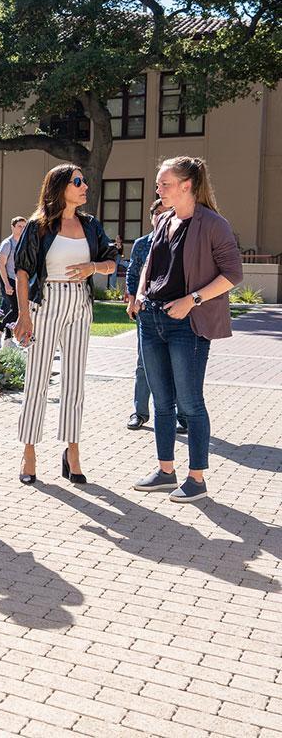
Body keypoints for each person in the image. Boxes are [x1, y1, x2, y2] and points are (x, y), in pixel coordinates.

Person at [130, 156, 242, 502]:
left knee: (190, 404)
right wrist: (138, 297)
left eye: (164, 183)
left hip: (187, 324)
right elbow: (150, 264)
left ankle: (196, 479)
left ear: (186, 185)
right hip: (151, 319)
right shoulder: (164, 220)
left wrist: (192, 299)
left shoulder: (213, 223)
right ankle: (166, 471)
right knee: (162, 403)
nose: (158, 189)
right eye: (158, 183)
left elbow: (232, 275)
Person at [14, 165, 118, 485]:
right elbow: (21, 272)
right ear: (60, 187)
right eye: (78, 181)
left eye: (84, 181)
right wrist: (23, 315)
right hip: (46, 303)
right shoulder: (38, 227)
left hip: (80, 304)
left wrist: (93, 267)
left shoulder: (91, 225)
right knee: (38, 380)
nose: (84, 186)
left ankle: (72, 451)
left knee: (75, 382)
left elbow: (111, 262)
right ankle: (29, 451)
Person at [126, 199, 187, 434]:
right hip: (147, 312)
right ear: (152, 217)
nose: (162, 217)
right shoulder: (142, 244)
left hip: (174, 312)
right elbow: (133, 272)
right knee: (143, 365)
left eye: (167, 213)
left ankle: (183, 417)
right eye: (158, 213)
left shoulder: (180, 239)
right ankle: (139, 412)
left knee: (177, 366)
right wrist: (133, 300)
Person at [0, 216, 27, 348]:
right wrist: (6, 284)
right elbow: (1, 265)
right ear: (12, 227)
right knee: (16, 310)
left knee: (14, 310)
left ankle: (7, 340)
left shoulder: (23, 242)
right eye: (19, 226)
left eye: (24, 226)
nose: (22, 229)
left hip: (20, 281)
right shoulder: (7, 243)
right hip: (9, 280)